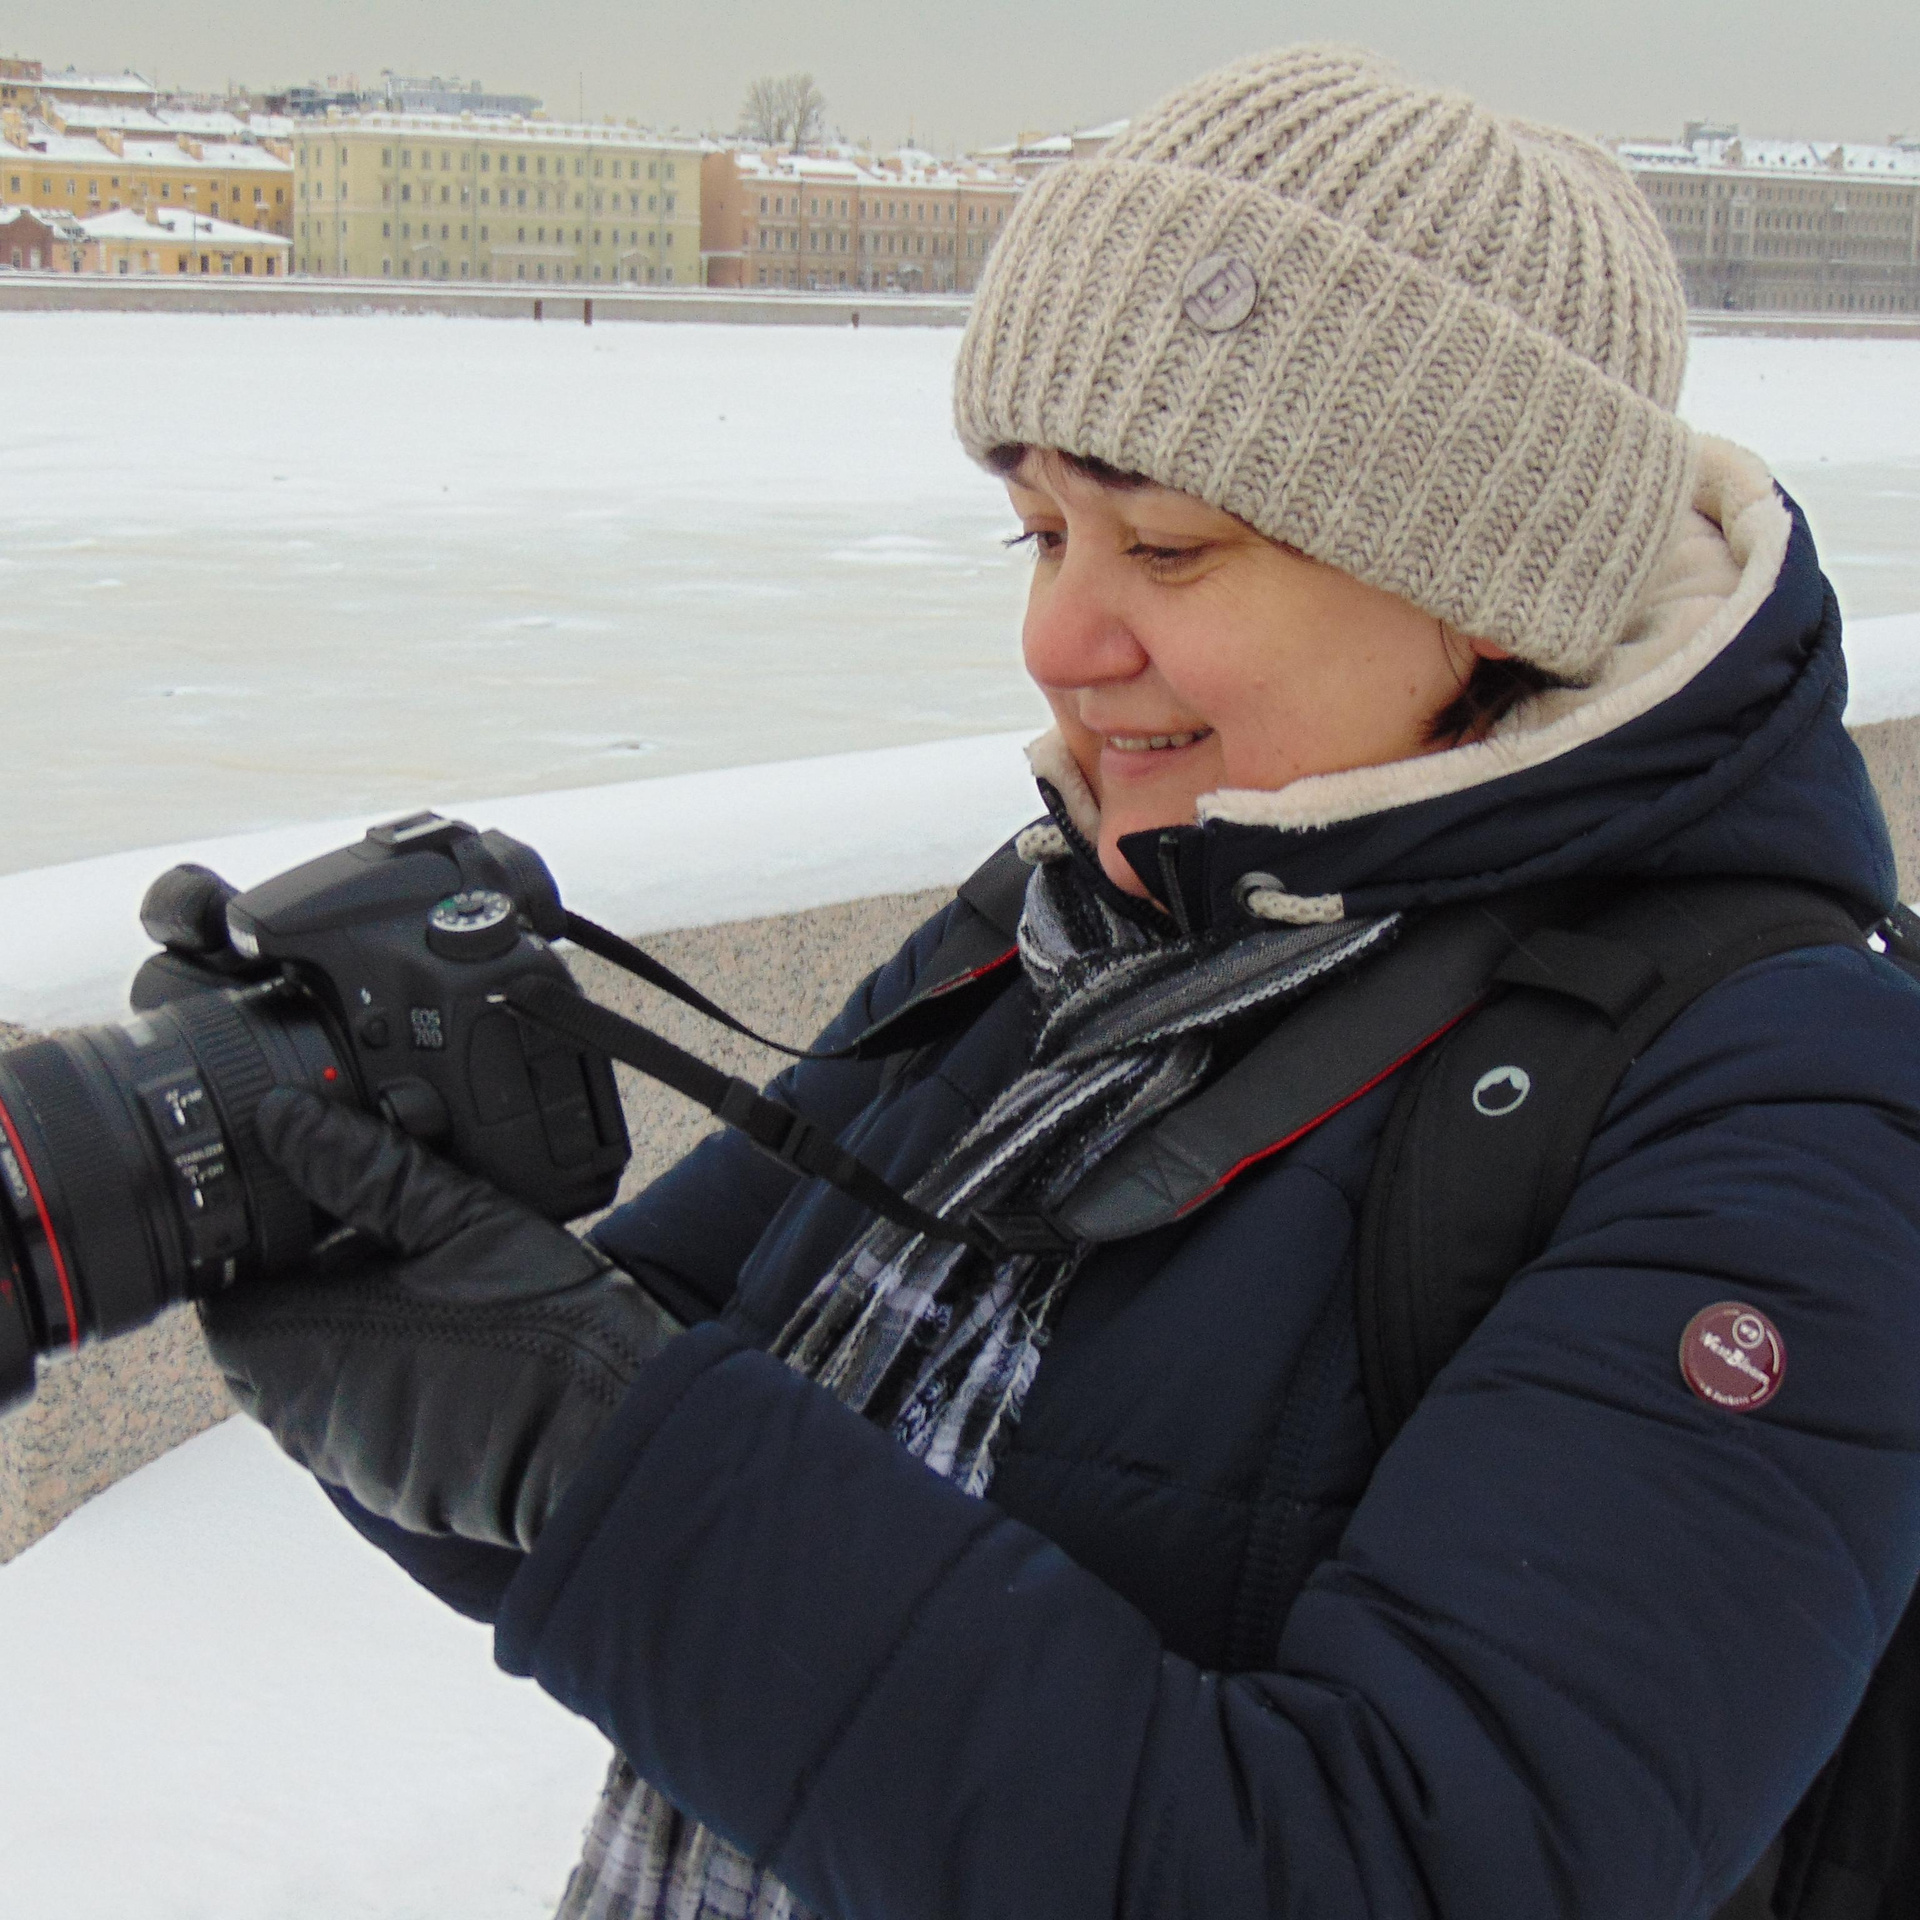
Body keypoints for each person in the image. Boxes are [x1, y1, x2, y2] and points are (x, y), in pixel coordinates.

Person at [203, 45, 1920, 1920]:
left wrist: (591, 1439)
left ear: (1489, 584)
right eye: (1038, 530)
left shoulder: (1788, 1103)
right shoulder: (1081, 917)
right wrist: (316, 1210)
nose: (1056, 635)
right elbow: (633, 1441)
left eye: (1167, 546)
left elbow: (1409, 1867)